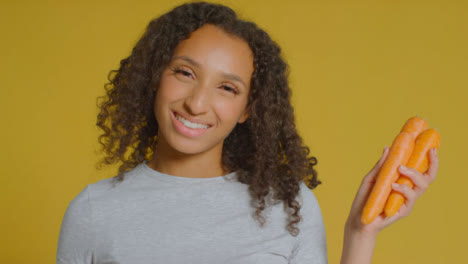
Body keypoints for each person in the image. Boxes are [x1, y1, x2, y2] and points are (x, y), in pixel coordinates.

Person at [56, 2, 439, 264]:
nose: (197, 104)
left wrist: (360, 234)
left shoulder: (289, 207)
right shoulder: (94, 211)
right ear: (156, 74)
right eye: (185, 73)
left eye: (228, 88)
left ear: (248, 109)